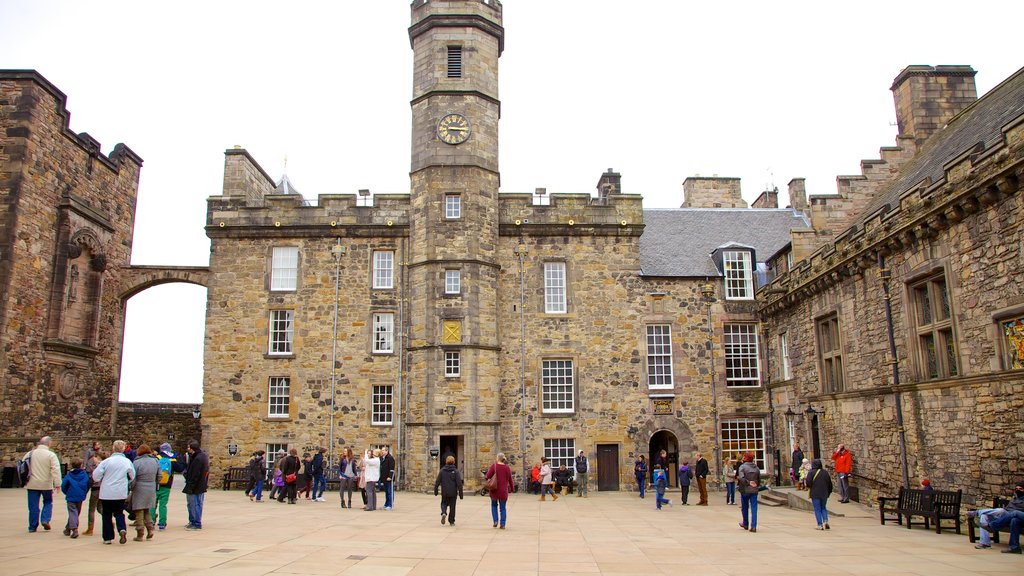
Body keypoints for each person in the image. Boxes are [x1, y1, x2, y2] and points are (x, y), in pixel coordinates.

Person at [92, 440, 135, 544]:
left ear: (113, 448)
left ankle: (108, 537)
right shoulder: (127, 462)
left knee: (106, 514)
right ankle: (122, 529)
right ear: (123, 449)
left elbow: (96, 476)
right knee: (119, 512)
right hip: (120, 492)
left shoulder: (106, 462)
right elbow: (132, 476)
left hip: (106, 492)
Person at [24, 435, 62, 533]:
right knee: (48, 502)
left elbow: (22, 467)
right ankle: (45, 519)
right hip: (46, 484)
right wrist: (57, 483)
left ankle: (32, 526)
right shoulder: (50, 455)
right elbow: (55, 470)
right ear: (49, 443)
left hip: (32, 483)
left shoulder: (30, 454)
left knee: (33, 506)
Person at [982, 480, 1024, 554]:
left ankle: (992, 526)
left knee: (1015, 513)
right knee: (1014, 520)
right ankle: (1015, 547)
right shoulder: (1015, 497)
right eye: (1017, 489)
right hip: (1017, 518)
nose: (1018, 490)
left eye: (1020, 489)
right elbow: (1008, 508)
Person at [130, 444, 159, 541]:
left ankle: (140, 532)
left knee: (139, 510)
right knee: (147, 510)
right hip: (151, 487)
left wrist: (131, 487)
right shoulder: (155, 461)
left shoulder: (137, 462)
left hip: (139, 487)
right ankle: (150, 529)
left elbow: (133, 477)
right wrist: (155, 484)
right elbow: (159, 475)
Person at [152, 442, 184, 529]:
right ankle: (162, 523)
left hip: (155, 484)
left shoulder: (156, 458)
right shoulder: (172, 459)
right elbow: (180, 468)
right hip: (167, 484)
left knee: (153, 504)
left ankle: (151, 521)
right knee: (163, 505)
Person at [182, 439, 209, 529]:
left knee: (194, 504)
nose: (187, 449)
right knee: (197, 504)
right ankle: (194, 521)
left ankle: (196, 523)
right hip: (200, 484)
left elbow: (195, 474)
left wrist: (190, 485)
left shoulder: (197, 458)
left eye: (189, 447)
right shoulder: (202, 456)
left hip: (196, 485)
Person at [60, 457, 90, 538]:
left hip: (71, 495)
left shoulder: (69, 475)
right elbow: (88, 484)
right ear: (81, 465)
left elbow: (63, 486)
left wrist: (66, 492)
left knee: (73, 512)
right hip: (80, 496)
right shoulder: (84, 474)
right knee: (76, 512)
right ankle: (68, 529)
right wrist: (84, 493)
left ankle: (74, 529)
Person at [484, 453, 514, 529]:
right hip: (503, 491)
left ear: (497, 458)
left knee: (494, 506)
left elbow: (487, 476)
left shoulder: (494, 466)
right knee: (503, 508)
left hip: (494, 490)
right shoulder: (507, 468)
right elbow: (510, 480)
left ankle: (495, 521)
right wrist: (512, 489)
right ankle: (503, 524)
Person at [434, 455, 463, 525]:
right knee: (452, 506)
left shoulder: (442, 471)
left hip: (445, 492)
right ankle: (451, 521)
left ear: (446, 462)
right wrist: (461, 494)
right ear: (454, 462)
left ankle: (443, 512)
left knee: (443, 503)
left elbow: (437, 481)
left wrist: (436, 490)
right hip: (453, 492)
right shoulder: (456, 471)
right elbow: (459, 483)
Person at [805, 458, 833, 530]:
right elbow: (829, 484)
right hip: (824, 493)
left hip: (815, 493)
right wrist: (829, 492)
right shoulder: (825, 472)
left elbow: (808, 483)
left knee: (817, 509)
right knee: (823, 507)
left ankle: (819, 524)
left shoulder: (811, 472)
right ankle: (826, 521)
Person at [738, 452, 761, 533]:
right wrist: (755, 484)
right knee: (754, 509)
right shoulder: (756, 468)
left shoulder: (742, 467)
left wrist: (748, 482)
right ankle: (754, 526)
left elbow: (741, 478)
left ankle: (746, 524)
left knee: (744, 508)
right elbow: (759, 480)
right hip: (754, 490)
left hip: (745, 490)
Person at [83, 449, 103, 535]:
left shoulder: (91, 463)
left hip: (95, 488)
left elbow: (89, 476)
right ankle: (109, 521)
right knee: (100, 508)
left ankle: (90, 528)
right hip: (102, 488)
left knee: (91, 509)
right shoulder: (103, 463)